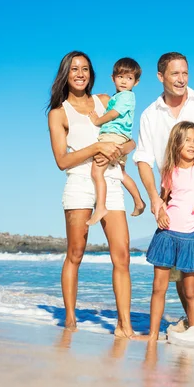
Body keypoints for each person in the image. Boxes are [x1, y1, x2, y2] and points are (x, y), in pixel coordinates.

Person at [133, 52, 194, 326]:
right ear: (160, 76)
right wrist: (155, 198)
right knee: (179, 270)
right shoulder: (150, 115)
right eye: (175, 74)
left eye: (185, 73)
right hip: (173, 196)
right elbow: (143, 159)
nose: (181, 79)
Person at [47, 50, 135, 338]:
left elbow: (130, 140)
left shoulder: (106, 101)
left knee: (122, 256)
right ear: (66, 74)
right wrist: (96, 148)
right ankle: (70, 321)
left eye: (85, 68)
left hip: (110, 180)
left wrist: (118, 150)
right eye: (74, 69)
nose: (80, 73)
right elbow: (62, 161)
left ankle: (124, 327)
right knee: (75, 253)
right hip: (79, 184)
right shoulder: (59, 113)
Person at [139, 121, 194, 341]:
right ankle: (152, 336)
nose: (192, 144)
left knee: (191, 292)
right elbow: (164, 199)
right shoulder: (169, 171)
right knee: (158, 288)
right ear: (176, 142)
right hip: (167, 235)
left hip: (191, 238)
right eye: (187, 140)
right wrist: (160, 211)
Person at [86, 57, 145, 226]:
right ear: (113, 78)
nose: (124, 81)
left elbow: (114, 114)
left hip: (113, 135)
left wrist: (98, 121)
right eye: (120, 77)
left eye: (129, 78)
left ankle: (101, 207)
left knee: (97, 172)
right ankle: (139, 201)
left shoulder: (126, 96)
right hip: (121, 136)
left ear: (136, 82)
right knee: (121, 173)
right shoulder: (119, 96)